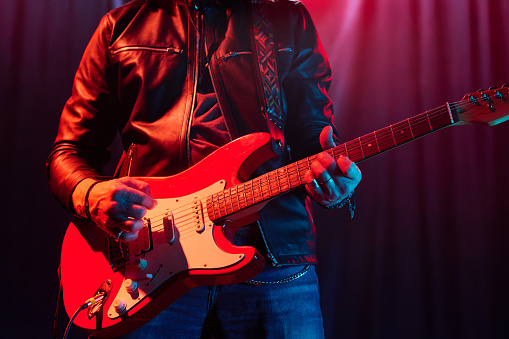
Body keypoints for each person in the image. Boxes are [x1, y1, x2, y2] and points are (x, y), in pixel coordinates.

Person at [47, 0, 361, 337]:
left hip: (275, 265)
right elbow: (69, 152)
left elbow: (313, 136)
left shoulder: (287, 19)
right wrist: (91, 194)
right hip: (148, 263)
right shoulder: (121, 27)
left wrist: (334, 185)